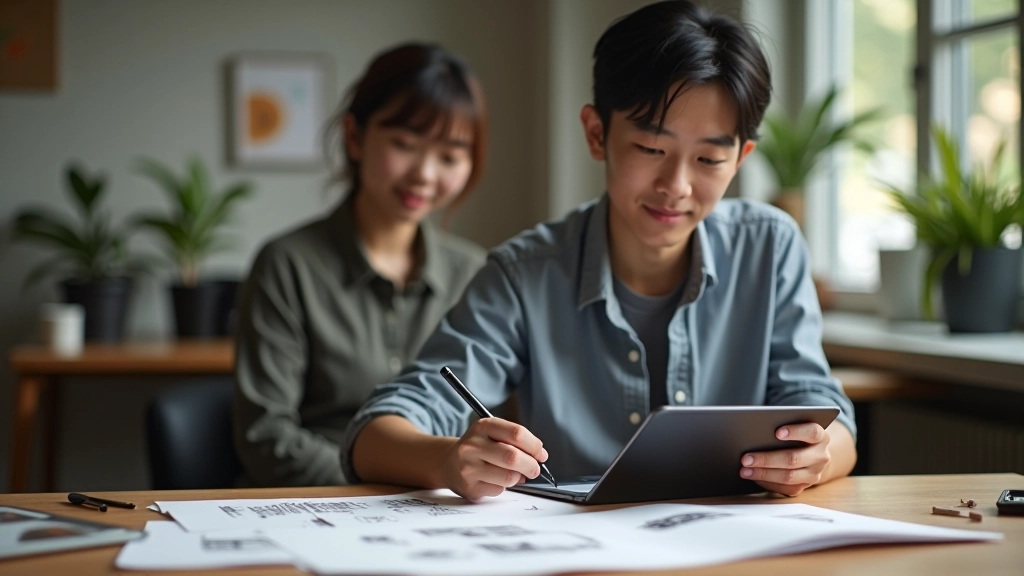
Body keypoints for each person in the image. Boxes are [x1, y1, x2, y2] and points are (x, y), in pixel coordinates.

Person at [343, 0, 857, 500]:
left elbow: (828, 417)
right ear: (597, 133)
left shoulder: (770, 246)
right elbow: (375, 432)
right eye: (651, 149)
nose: (676, 185)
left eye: (708, 158)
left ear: (741, 158)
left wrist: (818, 456)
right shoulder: (526, 273)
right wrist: (447, 459)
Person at [233, 42, 488, 487]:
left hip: (444, 515)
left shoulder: (474, 272)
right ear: (355, 137)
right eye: (405, 144)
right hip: (315, 507)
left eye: (449, 156)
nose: (425, 174)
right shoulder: (287, 265)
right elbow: (265, 435)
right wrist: (387, 484)